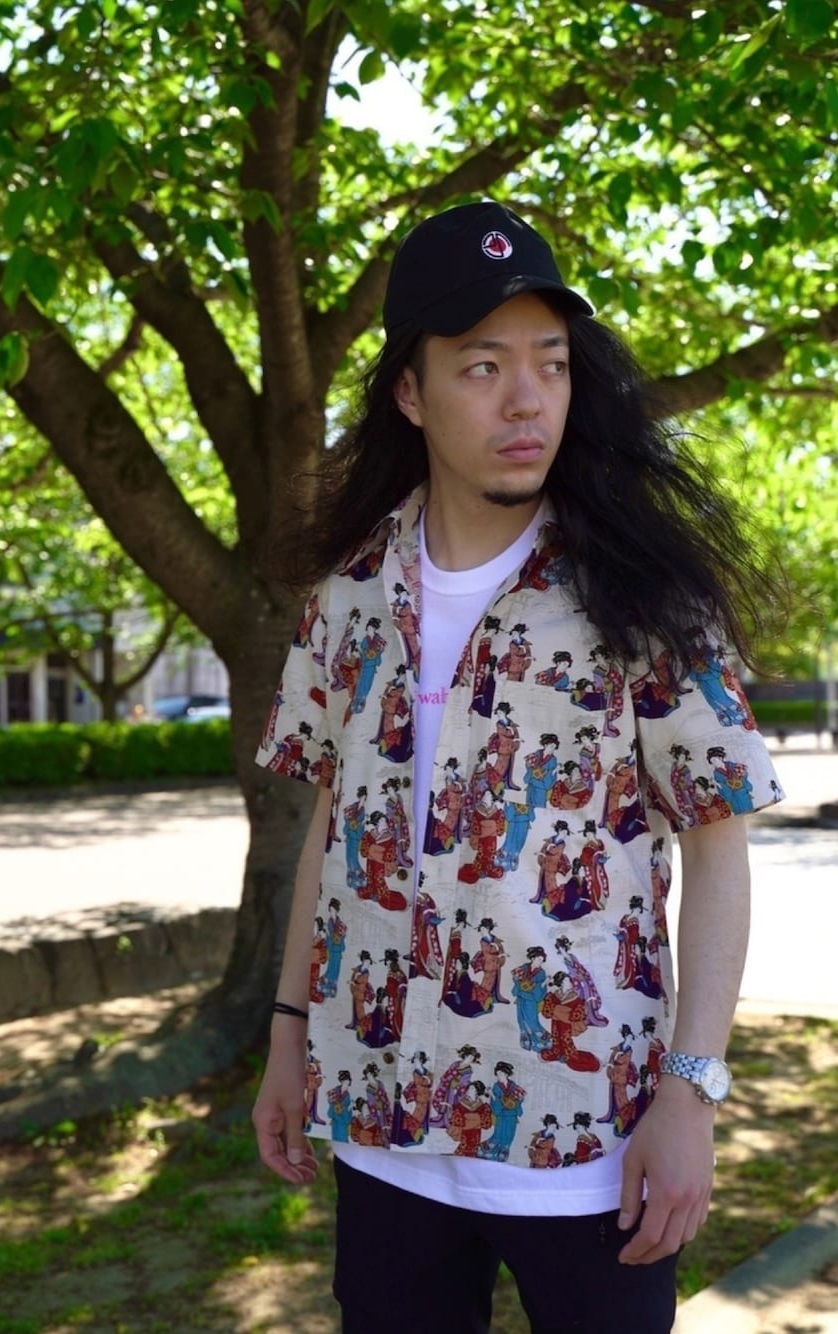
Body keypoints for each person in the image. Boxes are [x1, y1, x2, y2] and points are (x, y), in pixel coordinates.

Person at [251, 200, 783, 1333]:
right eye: (483, 366)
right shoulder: (348, 596)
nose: (527, 398)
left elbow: (719, 847)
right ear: (411, 392)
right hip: (384, 1129)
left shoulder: (642, 594)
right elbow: (334, 834)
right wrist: (288, 1033)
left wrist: (692, 1093)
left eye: (551, 362)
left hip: (588, 1147)